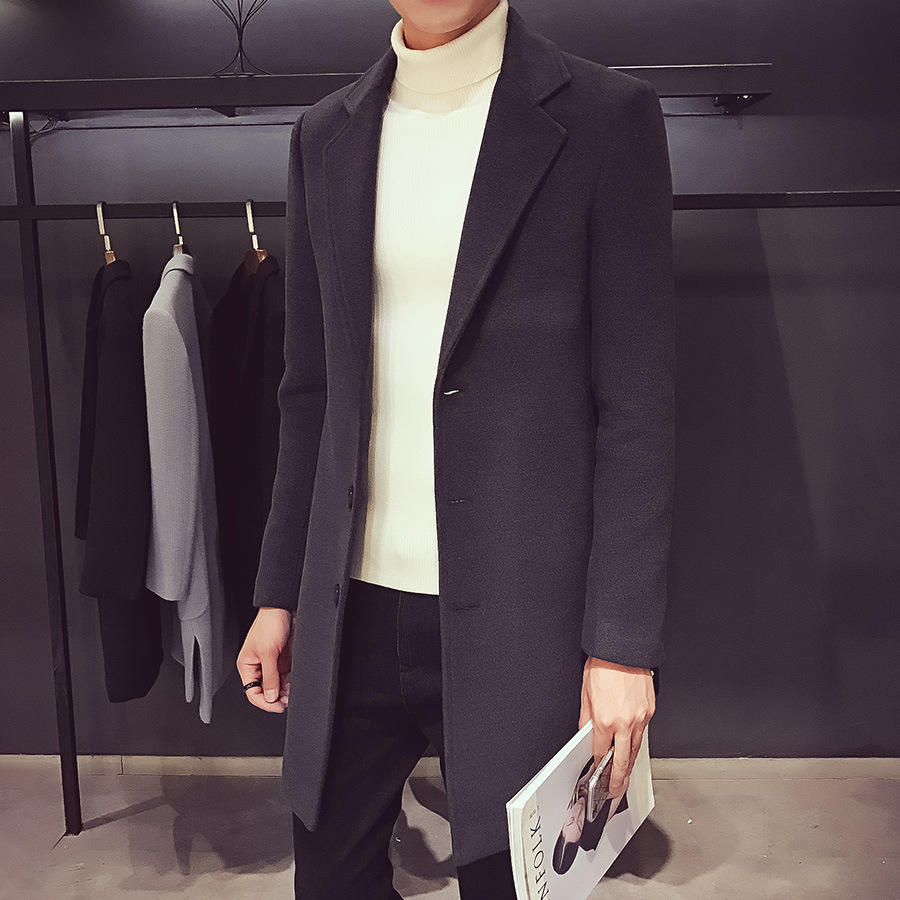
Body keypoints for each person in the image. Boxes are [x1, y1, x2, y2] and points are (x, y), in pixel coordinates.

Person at [236, 1, 674, 897]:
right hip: (350, 607)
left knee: (509, 883)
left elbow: (637, 403)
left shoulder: (605, 117)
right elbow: (310, 391)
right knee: (330, 883)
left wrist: (622, 645)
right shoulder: (325, 135)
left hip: (526, 615)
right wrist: (279, 592)